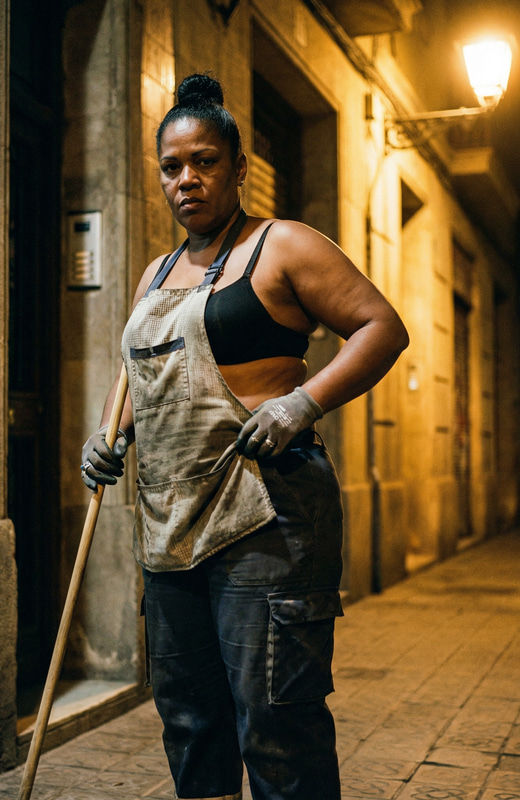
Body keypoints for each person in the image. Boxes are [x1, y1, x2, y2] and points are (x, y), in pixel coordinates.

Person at [81, 73, 408, 800]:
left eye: (204, 162)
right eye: (172, 167)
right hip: (172, 524)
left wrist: (303, 403)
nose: (186, 180)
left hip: (269, 515)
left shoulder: (282, 245)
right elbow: (136, 365)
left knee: (275, 722)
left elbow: (382, 328)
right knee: (192, 723)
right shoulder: (156, 273)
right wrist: (109, 435)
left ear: (237, 169)